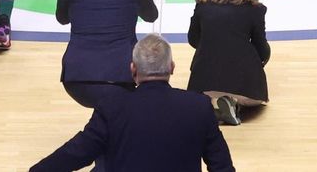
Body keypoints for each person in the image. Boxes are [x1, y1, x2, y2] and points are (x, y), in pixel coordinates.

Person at [32, 33, 235, 172]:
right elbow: (222, 167)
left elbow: (76, 153)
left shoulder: (112, 107)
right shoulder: (199, 107)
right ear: (171, 68)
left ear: (133, 69)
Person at [186, 0, 270, 125]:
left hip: (204, 84)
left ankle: (210, 107)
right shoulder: (255, 10)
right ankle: (234, 104)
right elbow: (262, 50)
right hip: (246, 90)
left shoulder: (202, 5)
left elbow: (193, 39)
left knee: (202, 96)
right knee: (252, 99)